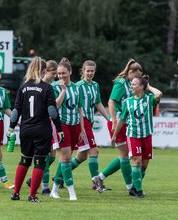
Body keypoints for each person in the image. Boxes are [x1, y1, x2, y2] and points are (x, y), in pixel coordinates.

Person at [8, 57, 63, 202]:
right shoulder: (47, 88)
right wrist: (59, 129)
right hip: (42, 130)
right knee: (39, 162)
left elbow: (16, 110)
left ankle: (16, 193)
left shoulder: (23, 87)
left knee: (24, 160)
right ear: (44, 70)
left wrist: (11, 128)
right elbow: (52, 111)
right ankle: (32, 195)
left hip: (25, 129)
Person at [56, 60, 110, 190]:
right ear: (83, 71)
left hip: (89, 121)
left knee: (81, 156)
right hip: (81, 121)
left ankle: (59, 177)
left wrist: (109, 119)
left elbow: (98, 103)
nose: (90, 73)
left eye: (92, 71)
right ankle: (96, 183)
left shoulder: (95, 85)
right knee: (93, 151)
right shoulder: (78, 86)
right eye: (88, 70)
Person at [94, 58, 143, 195]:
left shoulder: (128, 82)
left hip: (125, 122)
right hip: (118, 123)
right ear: (131, 72)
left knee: (126, 155)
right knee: (124, 155)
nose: (137, 80)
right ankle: (130, 188)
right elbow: (111, 102)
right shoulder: (121, 83)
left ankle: (100, 177)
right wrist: (114, 121)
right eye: (137, 76)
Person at [111, 75, 162, 197]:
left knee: (144, 164)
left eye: (134, 84)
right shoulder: (128, 102)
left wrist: (148, 86)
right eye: (131, 84)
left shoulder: (149, 99)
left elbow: (159, 94)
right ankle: (138, 191)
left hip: (147, 135)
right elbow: (122, 120)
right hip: (133, 135)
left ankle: (134, 186)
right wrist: (114, 135)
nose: (131, 86)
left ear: (141, 87)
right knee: (137, 160)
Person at [50, 57, 85, 201]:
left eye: (64, 73)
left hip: (75, 125)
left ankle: (54, 190)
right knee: (66, 157)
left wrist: (82, 129)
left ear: (70, 72)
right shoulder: (54, 87)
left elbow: (80, 109)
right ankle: (72, 192)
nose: (61, 76)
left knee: (64, 159)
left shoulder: (77, 88)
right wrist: (63, 90)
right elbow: (55, 106)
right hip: (61, 125)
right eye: (59, 73)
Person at [25, 60, 60, 195]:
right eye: (53, 73)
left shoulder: (52, 86)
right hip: (42, 124)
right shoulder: (42, 86)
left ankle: (34, 178)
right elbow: (53, 106)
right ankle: (45, 187)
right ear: (46, 71)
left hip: (52, 123)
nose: (55, 76)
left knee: (51, 156)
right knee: (44, 156)